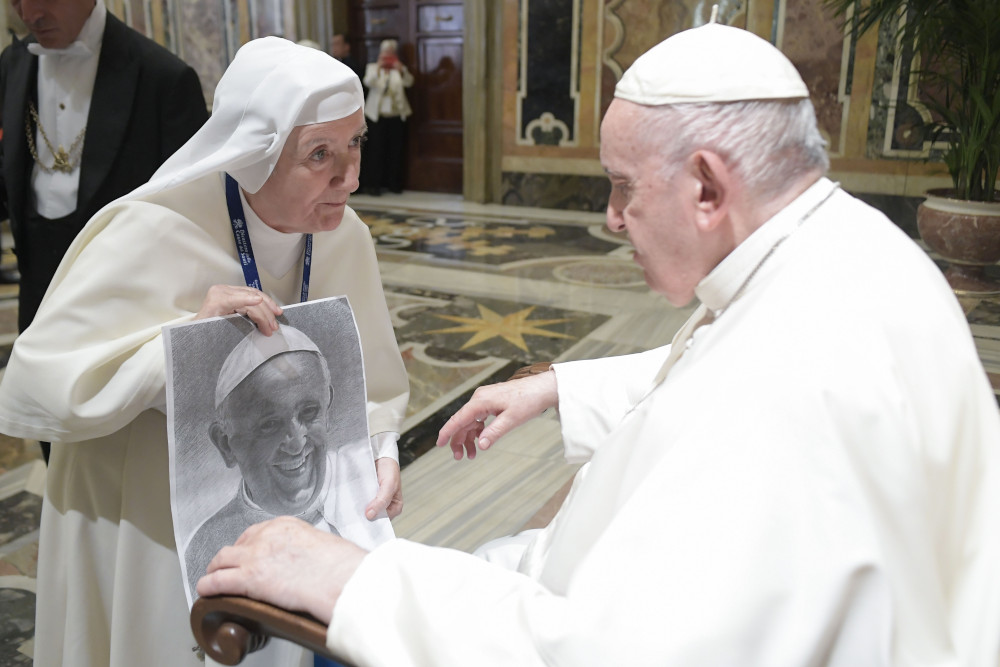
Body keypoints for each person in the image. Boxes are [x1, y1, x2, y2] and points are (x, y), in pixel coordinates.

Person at [196, 22, 1000, 667]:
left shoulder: (791, 389)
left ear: (710, 188)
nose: (611, 220)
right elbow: (715, 367)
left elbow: (615, 650)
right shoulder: (842, 247)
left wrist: (355, 581)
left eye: (623, 187)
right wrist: (560, 388)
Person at [0, 36, 409, 667]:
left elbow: (372, 381)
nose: (349, 178)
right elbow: (33, 382)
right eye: (320, 154)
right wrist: (180, 351)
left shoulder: (345, 236)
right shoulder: (150, 230)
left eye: (355, 144)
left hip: (290, 521)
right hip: (142, 521)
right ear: (255, 155)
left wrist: (378, 449)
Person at [0, 0, 208, 333]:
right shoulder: (12, 63)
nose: (29, 14)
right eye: (15, 0)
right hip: (37, 293)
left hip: (124, 302)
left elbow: (196, 213)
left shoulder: (164, 78)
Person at [183, 324, 393, 599]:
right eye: (270, 425)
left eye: (309, 412)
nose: (296, 442)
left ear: (328, 405)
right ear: (225, 443)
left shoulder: (371, 475)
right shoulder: (208, 548)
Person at [360, 38, 412, 195]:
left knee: (395, 151)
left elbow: (409, 82)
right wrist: (379, 68)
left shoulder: (399, 69)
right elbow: (368, 82)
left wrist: (402, 70)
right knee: (376, 151)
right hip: (376, 117)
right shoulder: (372, 68)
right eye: (385, 52)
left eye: (391, 52)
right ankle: (374, 185)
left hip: (396, 115)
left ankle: (394, 184)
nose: (388, 55)